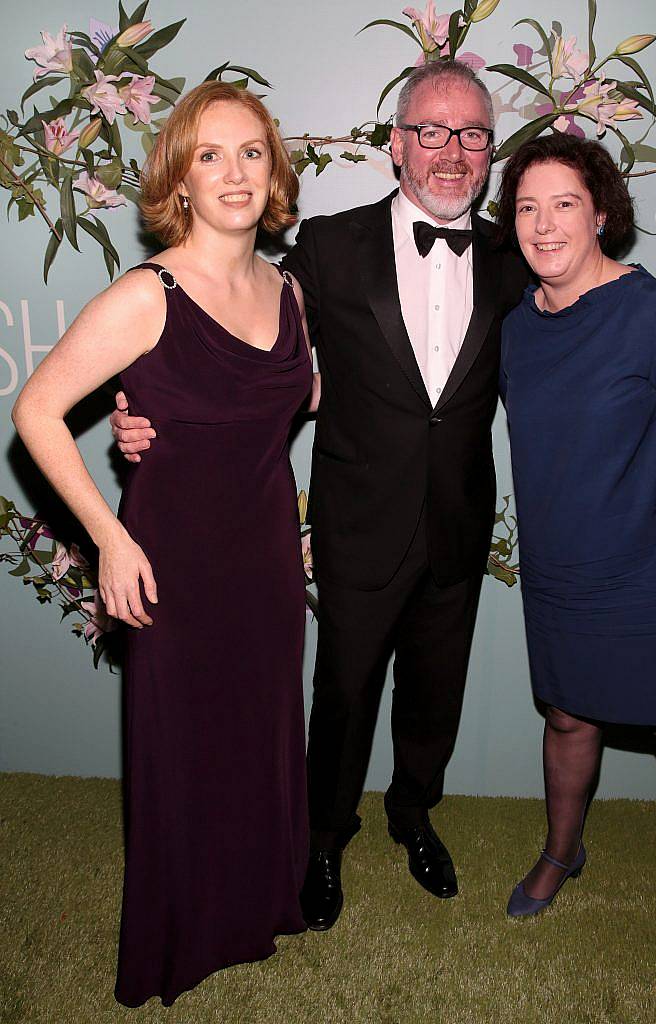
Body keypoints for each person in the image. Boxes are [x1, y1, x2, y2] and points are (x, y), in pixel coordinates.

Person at [111, 60, 529, 929]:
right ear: (396, 146)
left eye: (472, 134)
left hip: (456, 521)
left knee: (433, 695)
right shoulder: (329, 248)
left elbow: (574, 339)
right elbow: (228, 321)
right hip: (356, 525)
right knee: (340, 697)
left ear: (489, 150)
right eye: (430, 132)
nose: (450, 153)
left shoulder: (513, 252)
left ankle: (412, 815)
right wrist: (142, 403)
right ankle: (323, 841)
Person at [13, 81, 318, 1005]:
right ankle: (178, 938)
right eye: (210, 155)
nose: (233, 173)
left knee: (260, 741)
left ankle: (258, 907)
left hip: (264, 559)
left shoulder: (288, 288)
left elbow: (292, 414)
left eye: (251, 152)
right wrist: (107, 534)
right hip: (170, 561)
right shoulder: (149, 293)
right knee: (183, 751)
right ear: (179, 178)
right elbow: (34, 411)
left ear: (273, 173)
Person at [496, 132, 656, 919]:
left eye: (563, 204)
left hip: (651, 562)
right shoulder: (516, 326)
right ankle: (560, 850)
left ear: (601, 212)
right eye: (527, 207)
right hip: (559, 562)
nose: (543, 225)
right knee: (567, 713)